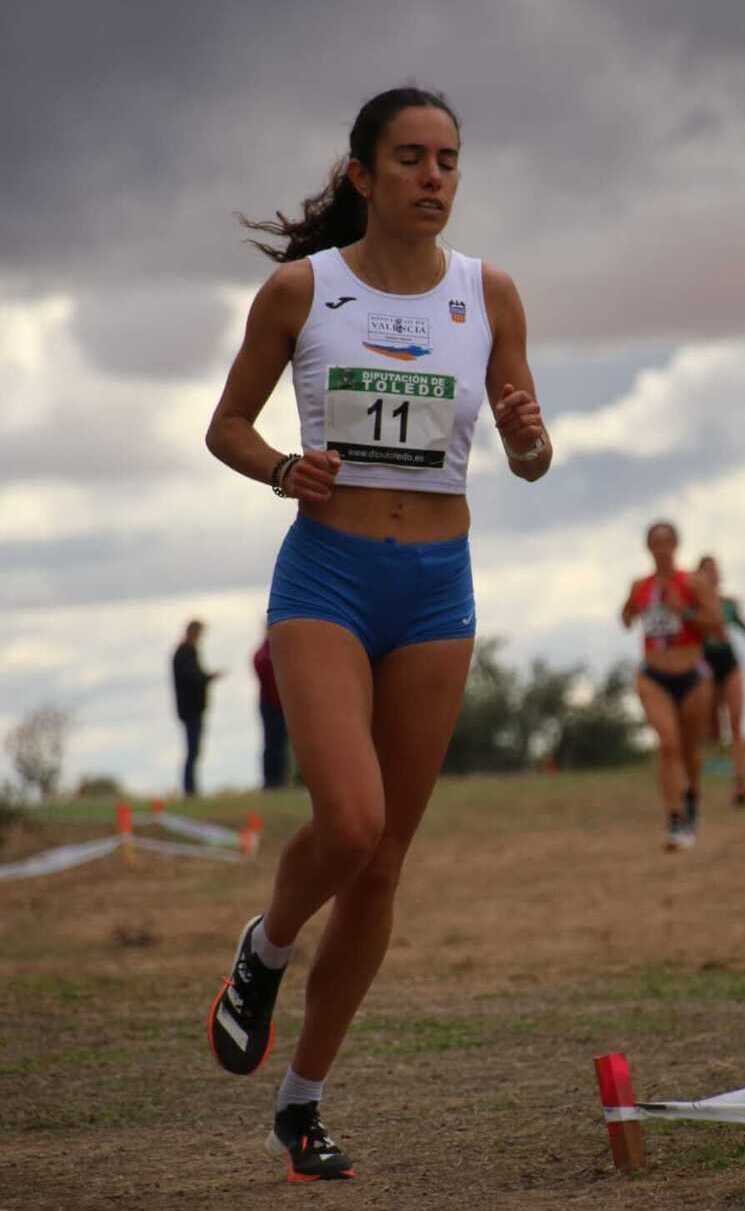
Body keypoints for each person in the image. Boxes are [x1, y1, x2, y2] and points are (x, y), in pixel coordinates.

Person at [203, 86, 551, 1183]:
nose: (434, 177)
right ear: (362, 172)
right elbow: (225, 425)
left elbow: (527, 451)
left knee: (386, 857)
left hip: (437, 588)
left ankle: (301, 1102)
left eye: (447, 159)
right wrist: (278, 468)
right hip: (329, 578)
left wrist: (532, 441)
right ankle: (263, 949)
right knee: (348, 822)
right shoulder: (302, 290)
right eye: (410, 158)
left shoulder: (486, 293)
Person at [621, 523, 720, 851]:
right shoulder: (640, 585)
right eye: (655, 543)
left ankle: (692, 799)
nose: (661, 549)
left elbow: (715, 624)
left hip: (692, 673)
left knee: (690, 750)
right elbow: (626, 619)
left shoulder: (693, 582)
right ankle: (675, 818)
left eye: (667, 542)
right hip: (654, 675)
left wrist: (685, 611)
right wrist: (631, 609)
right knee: (667, 744)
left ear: (677, 544)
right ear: (648, 547)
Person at [696, 555, 745, 807]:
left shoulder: (729, 604)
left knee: (737, 725)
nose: (713, 575)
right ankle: (691, 782)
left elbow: (742, 627)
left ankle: (741, 785)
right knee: (711, 731)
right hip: (705, 666)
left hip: (729, 662)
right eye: (708, 571)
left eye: (715, 571)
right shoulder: (693, 605)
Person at [170, 620, 222, 797]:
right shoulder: (185, 652)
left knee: (194, 750)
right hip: (191, 709)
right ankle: (190, 789)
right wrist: (208, 678)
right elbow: (192, 678)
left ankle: (191, 788)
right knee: (193, 750)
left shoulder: (184, 652)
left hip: (190, 708)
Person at [253, 632, 288, 790]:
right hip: (272, 704)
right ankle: (273, 780)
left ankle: (279, 779)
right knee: (273, 744)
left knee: (278, 744)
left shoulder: (268, 651)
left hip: (277, 703)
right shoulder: (266, 653)